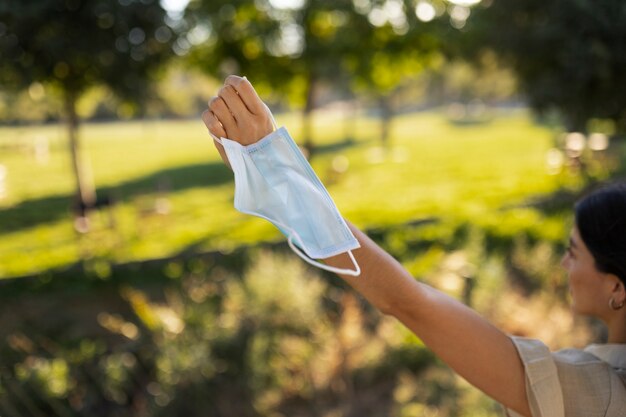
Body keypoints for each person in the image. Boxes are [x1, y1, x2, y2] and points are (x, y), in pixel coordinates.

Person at [202, 75, 626, 417]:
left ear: (617, 288)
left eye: (574, 251)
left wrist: (274, 168)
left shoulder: (600, 395)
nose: (562, 262)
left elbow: (409, 302)